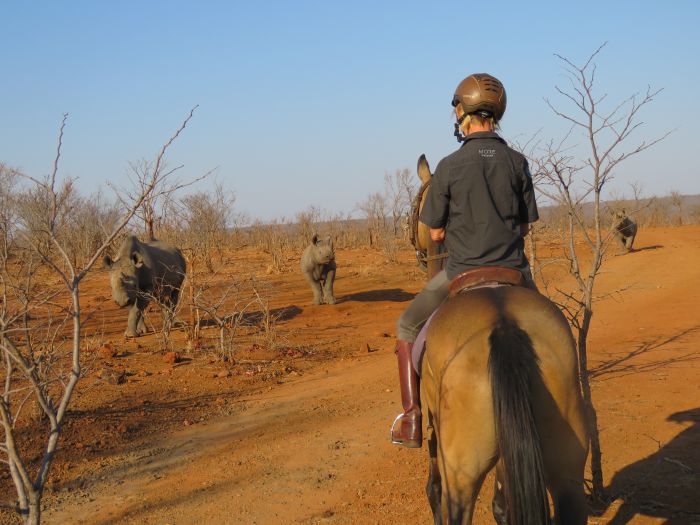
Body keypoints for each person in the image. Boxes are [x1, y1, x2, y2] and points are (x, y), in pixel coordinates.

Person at [390, 73, 540, 448]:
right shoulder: (518, 162)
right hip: (514, 273)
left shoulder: (449, 167)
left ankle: (410, 418)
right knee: (550, 324)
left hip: (460, 272)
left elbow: (435, 234)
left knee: (407, 325)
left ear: (463, 112)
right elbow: (524, 228)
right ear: (495, 114)